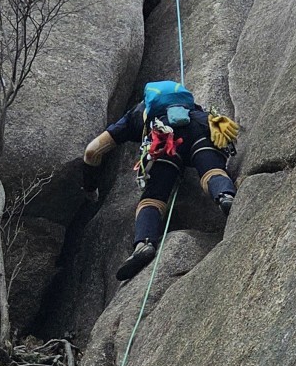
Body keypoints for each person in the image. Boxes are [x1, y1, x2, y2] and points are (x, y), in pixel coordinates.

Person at [82, 81, 239, 281]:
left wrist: (90, 187)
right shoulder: (193, 108)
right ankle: (225, 195)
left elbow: (92, 151)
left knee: (152, 199)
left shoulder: (137, 114)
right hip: (199, 127)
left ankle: (144, 244)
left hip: (164, 138)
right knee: (212, 171)